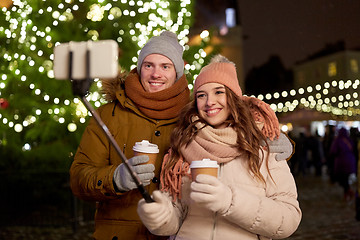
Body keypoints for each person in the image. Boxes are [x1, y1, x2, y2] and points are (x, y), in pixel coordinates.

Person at [137, 55, 302, 240]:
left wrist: (229, 201)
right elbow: (176, 217)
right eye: (201, 95)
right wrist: (160, 217)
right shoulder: (183, 145)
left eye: (218, 92)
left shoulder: (263, 147)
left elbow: (288, 220)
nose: (209, 102)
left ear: (233, 97)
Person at [330, 127, 357, 201]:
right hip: (350, 161)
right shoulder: (350, 140)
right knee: (345, 178)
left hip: (341, 163)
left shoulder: (338, 140)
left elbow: (333, 151)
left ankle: (348, 191)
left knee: (342, 178)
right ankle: (347, 192)